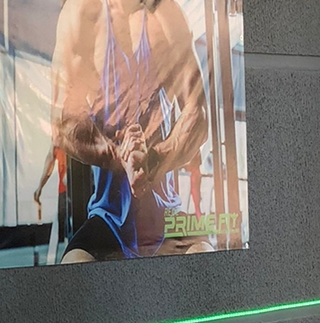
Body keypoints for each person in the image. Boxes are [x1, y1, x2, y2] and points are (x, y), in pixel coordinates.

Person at [49, 0, 209, 262]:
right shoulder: (82, 12)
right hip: (108, 218)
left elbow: (198, 114)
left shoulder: (166, 14)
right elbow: (61, 122)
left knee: (208, 263)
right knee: (73, 269)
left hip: (167, 215)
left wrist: (152, 160)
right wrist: (120, 157)